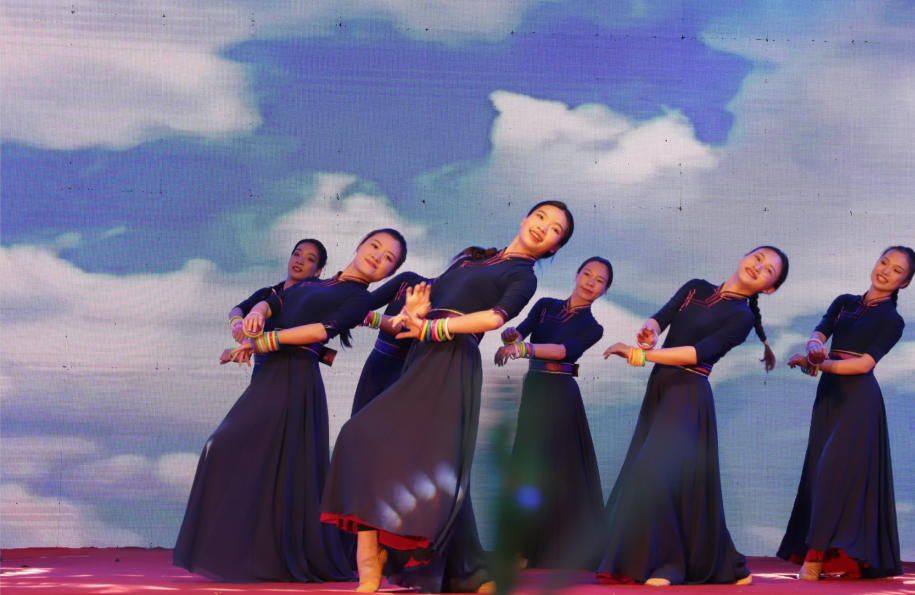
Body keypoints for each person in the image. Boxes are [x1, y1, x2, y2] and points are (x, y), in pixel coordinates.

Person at [321, 202, 575, 593]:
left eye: (555, 229)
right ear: (525, 219)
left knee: (436, 466)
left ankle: (399, 564)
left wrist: (435, 329)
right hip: (420, 356)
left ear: (554, 247)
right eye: (540, 217)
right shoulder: (472, 259)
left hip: (454, 359)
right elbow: (423, 308)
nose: (544, 227)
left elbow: (493, 319)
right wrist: (415, 313)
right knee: (362, 437)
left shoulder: (523, 276)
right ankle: (419, 564)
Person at [173, 229, 408, 583]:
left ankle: (269, 555)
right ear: (360, 245)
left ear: (389, 273)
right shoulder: (313, 284)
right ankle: (258, 553)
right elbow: (275, 302)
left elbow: (319, 332)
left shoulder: (359, 299)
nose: (378, 256)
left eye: (388, 257)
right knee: (267, 464)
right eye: (375, 246)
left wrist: (262, 341)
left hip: (295, 377)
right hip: (271, 374)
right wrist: (255, 314)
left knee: (228, 447)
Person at [597, 246, 789, 586]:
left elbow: (698, 354)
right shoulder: (696, 287)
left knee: (651, 473)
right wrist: (650, 331)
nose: (759, 267)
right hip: (662, 386)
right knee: (680, 483)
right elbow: (662, 317)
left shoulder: (742, 317)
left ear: (769, 288)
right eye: (758, 259)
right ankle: (726, 563)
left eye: (768, 271)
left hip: (688, 392)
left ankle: (669, 565)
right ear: (744, 257)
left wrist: (641, 355)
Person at [777, 246, 914, 581]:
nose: (886, 271)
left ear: (904, 283)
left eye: (897, 270)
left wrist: (818, 364)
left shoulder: (892, 320)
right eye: (884, 262)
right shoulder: (844, 302)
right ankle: (828, 556)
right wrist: (814, 348)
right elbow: (819, 333)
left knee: (833, 475)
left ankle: (815, 560)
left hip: (858, 402)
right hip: (829, 397)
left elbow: (864, 364)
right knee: (818, 473)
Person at [493, 257, 611, 570]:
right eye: (587, 274)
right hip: (535, 389)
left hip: (561, 395)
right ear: (576, 274)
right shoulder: (545, 305)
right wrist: (511, 336)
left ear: (604, 291)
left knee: (559, 471)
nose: (590, 282)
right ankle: (522, 549)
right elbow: (519, 334)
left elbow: (561, 351)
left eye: (599, 281)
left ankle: (565, 551)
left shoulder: (593, 327)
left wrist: (522, 349)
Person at [227, 239, 327, 380]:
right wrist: (238, 326)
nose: (300, 261)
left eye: (310, 259)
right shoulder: (267, 294)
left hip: (296, 375)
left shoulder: (314, 299)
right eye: (296, 254)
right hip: (262, 376)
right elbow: (237, 310)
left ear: (317, 271)